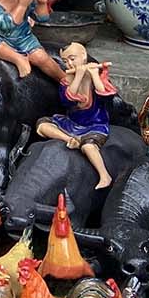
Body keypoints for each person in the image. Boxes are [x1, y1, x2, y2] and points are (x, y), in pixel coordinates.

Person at [36, 42, 116, 188]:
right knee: (42, 126)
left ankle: (104, 175)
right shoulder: (67, 80)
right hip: (72, 123)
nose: (69, 64)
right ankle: (71, 140)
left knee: (88, 147)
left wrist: (94, 75)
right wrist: (78, 76)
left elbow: (106, 96)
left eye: (72, 59)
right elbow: (68, 101)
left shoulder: (97, 75)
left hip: (94, 125)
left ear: (83, 56)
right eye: (65, 61)